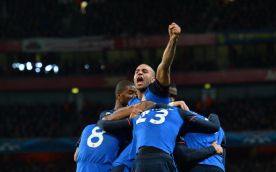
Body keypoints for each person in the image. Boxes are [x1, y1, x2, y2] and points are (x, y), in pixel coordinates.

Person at [104, 22, 181, 172]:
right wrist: (132, 110)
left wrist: (173, 40)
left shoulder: (157, 92)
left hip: (156, 152)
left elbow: (164, 66)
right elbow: (112, 117)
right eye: (137, 71)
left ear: (153, 79)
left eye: (144, 71)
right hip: (135, 153)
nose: (139, 73)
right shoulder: (132, 101)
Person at [98, 104, 221, 172]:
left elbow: (105, 125)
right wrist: (213, 115)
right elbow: (214, 127)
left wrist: (102, 120)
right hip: (162, 159)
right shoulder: (178, 112)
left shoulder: (140, 117)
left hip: (140, 162)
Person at [74, 80, 136, 172]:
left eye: (136, 94)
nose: (135, 96)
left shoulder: (89, 128)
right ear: (118, 95)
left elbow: (76, 156)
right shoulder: (107, 115)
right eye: (131, 93)